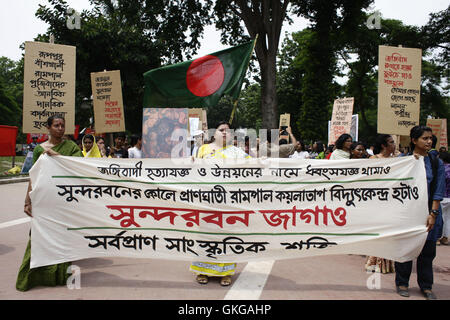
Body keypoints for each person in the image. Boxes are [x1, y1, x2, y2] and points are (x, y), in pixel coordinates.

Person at [17, 115, 83, 291]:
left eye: (62, 125)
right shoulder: (39, 150)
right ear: (48, 128)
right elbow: (34, 176)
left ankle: (60, 275)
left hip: (64, 200)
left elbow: (77, 167)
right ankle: (31, 276)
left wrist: (56, 155)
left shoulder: (71, 147)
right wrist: (27, 200)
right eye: (56, 125)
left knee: (62, 237)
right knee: (38, 237)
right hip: (44, 200)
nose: (60, 128)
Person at [189, 121, 249, 287]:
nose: (225, 133)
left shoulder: (236, 152)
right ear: (214, 133)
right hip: (206, 201)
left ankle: (226, 273)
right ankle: (202, 270)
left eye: (228, 131)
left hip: (227, 202)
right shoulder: (203, 150)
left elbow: (251, 166)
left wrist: (263, 161)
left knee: (227, 237)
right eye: (221, 130)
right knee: (205, 236)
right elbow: (193, 170)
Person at [394, 126, 445, 300]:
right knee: (405, 249)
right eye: (425, 138)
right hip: (406, 214)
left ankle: (426, 286)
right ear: (414, 141)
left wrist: (433, 213)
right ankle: (402, 283)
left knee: (427, 252)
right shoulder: (402, 160)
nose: (429, 141)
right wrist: (409, 164)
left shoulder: (435, 162)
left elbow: (438, 190)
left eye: (430, 138)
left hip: (428, 214)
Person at [364, 134, 397, 274]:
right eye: (391, 142)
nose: (394, 144)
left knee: (388, 232)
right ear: (383, 145)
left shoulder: (396, 160)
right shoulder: (374, 159)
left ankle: (386, 262)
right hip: (376, 200)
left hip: (391, 200)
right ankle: (374, 261)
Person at [438, 151, 450, 246]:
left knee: (439, 218)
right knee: (448, 219)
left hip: (442, 196)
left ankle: (438, 238)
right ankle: (445, 238)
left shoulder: (441, 168)